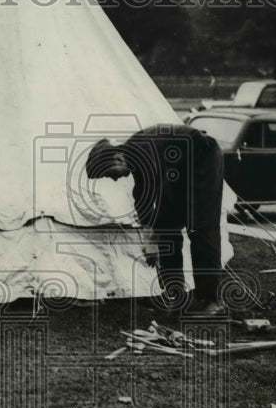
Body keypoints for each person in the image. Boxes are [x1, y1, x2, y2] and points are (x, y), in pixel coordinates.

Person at [86, 124, 225, 315]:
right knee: (167, 230)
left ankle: (210, 300)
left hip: (202, 157)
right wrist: (147, 233)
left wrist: (153, 240)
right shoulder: (135, 155)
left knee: (201, 228)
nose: (116, 180)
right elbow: (142, 195)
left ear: (117, 158)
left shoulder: (144, 150)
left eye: (111, 174)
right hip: (180, 169)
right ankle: (177, 296)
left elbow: (162, 194)